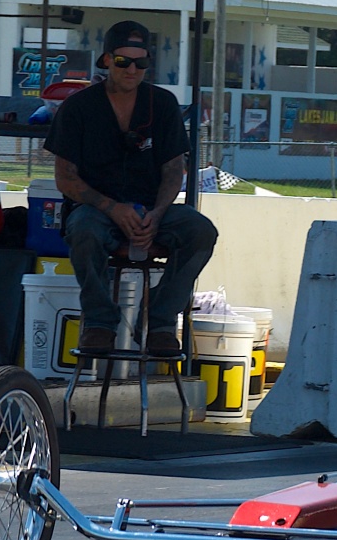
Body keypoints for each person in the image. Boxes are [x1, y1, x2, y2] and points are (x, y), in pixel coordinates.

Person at [49, 20, 218, 354]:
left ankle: (162, 321)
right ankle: (99, 322)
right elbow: (65, 177)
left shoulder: (164, 103)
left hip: (151, 208)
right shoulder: (78, 106)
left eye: (141, 63)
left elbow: (173, 169)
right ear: (107, 60)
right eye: (124, 61)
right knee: (83, 230)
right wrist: (112, 208)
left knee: (200, 231)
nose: (132, 70)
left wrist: (157, 214)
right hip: (97, 209)